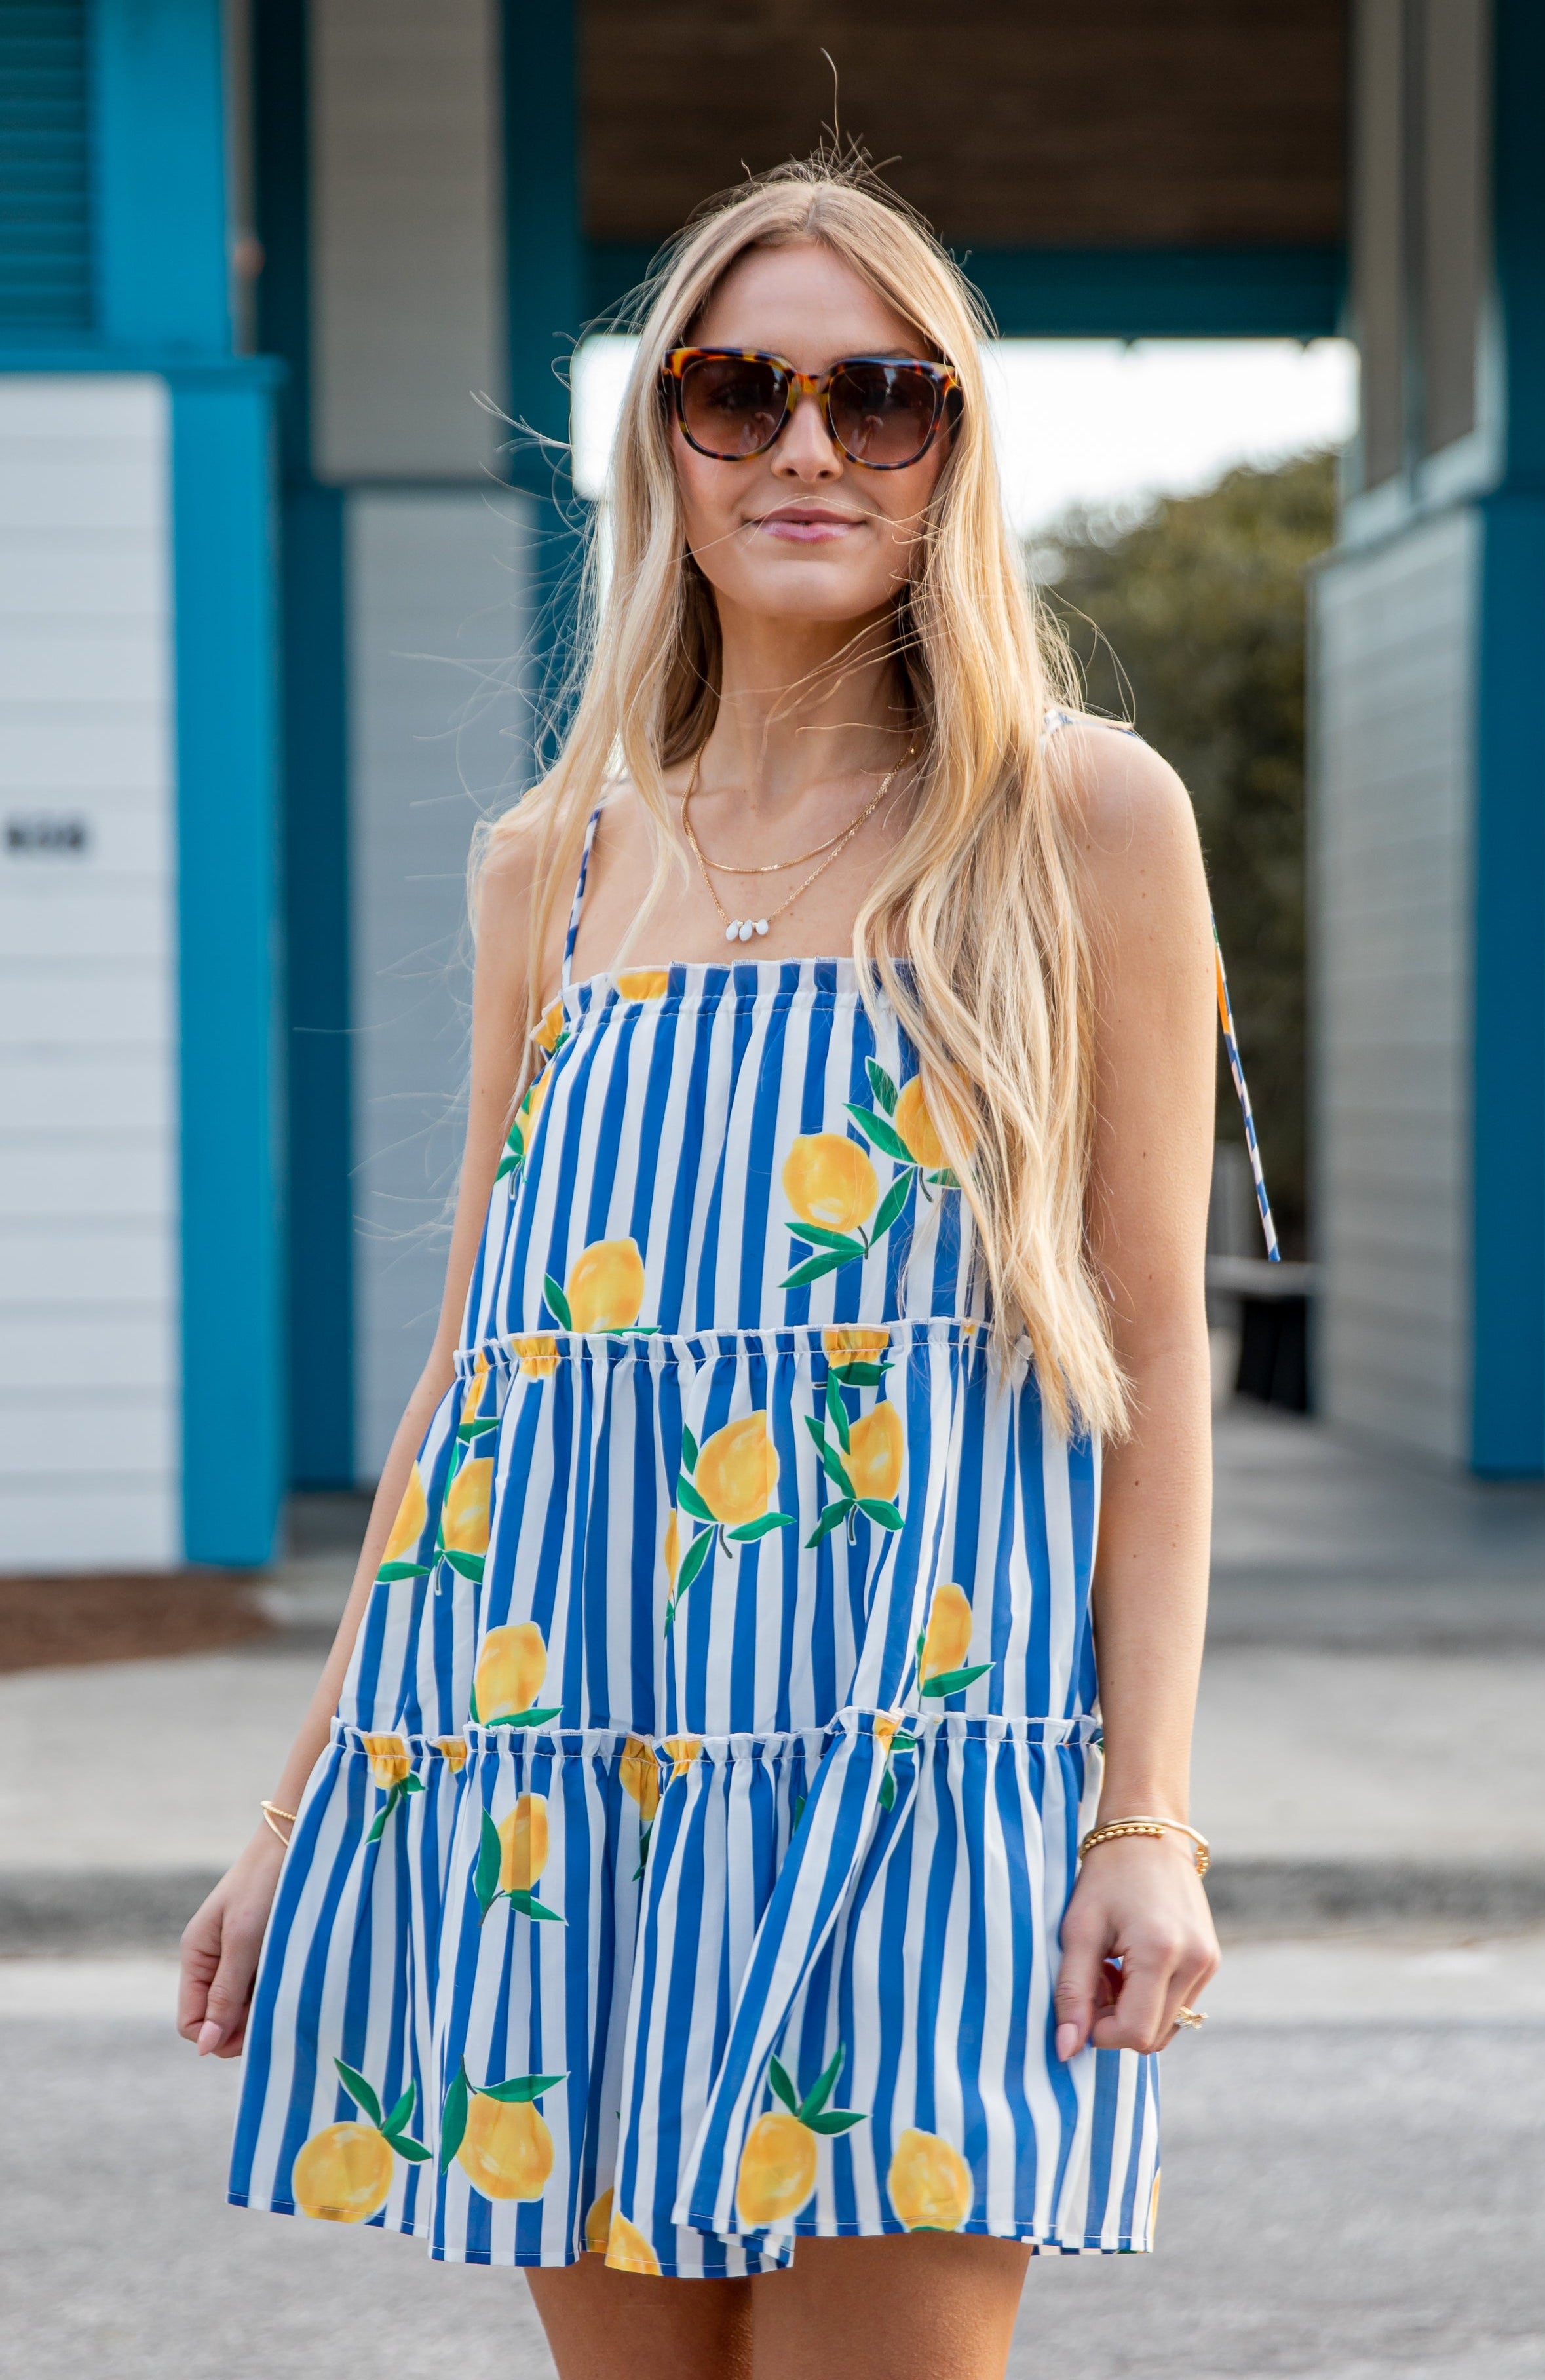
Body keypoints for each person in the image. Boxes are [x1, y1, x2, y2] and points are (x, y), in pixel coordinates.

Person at [180, 160, 1223, 2380]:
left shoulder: (1082, 822)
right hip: (569, 1767)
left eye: (882, 396)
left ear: (954, 448)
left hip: (924, 1776)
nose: (809, 448)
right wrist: (300, 1807)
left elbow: (1149, 1350)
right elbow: (475, 1384)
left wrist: (1147, 1818)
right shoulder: (548, 866)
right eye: (740, 392)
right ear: (661, 439)